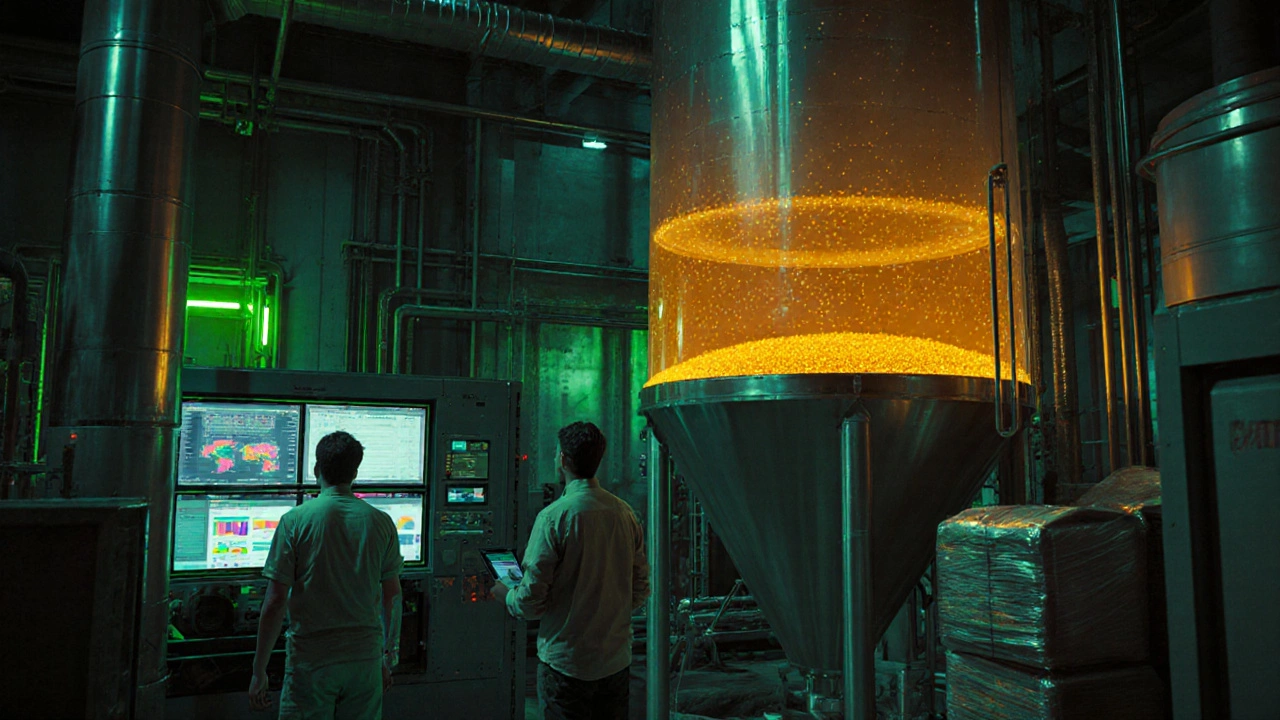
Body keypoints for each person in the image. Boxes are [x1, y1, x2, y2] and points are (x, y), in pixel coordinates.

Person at [492, 421, 651, 720]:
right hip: (615, 663)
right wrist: (608, 612)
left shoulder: (554, 518)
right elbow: (641, 586)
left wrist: (506, 595)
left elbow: (530, 601)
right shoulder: (625, 514)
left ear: (563, 460)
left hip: (566, 665)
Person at [248, 431, 404, 719]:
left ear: (316, 470)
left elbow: (274, 602)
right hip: (365, 660)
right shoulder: (381, 522)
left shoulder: (294, 521)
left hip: (312, 661)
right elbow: (393, 597)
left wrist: (259, 670)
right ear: (355, 472)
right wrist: (387, 658)